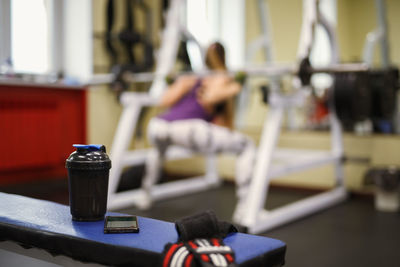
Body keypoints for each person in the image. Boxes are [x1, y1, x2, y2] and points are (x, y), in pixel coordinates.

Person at [141, 42, 255, 215]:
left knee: (158, 150)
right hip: (189, 129)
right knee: (247, 145)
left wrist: (175, 83)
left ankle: (145, 195)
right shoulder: (221, 78)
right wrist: (237, 85)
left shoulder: (190, 77)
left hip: (158, 126)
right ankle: (246, 208)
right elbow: (210, 99)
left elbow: (163, 101)